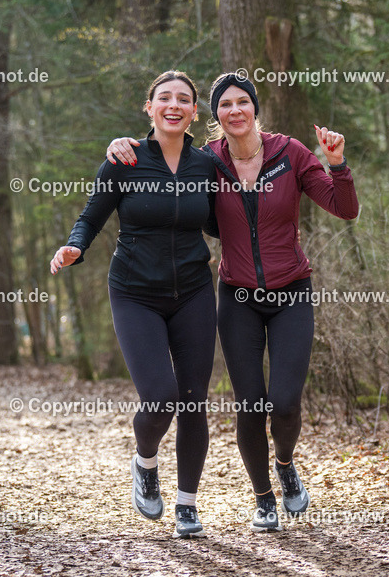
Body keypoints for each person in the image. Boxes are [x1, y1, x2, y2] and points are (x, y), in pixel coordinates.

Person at [106, 72, 359, 531]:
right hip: (237, 295)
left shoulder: (290, 153)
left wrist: (337, 165)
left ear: (255, 109)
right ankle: (263, 498)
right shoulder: (208, 163)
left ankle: (285, 465)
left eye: (244, 102)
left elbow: (344, 208)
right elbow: (166, 169)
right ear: (216, 116)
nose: (235, 111)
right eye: (226, 105)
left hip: (291, 292)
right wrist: (121, 145)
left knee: (283, 403)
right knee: (250, 404)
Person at [50, 71, 217, 539]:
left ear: (193, 112)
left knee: (193, 401)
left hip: (194, 292)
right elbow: (91, 215)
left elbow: (224, 222)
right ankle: (145, 462)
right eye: (164, 97)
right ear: (149, 107)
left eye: (184, 99)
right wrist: (74, 246)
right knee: (160, 396)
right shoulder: (125, 159)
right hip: (134, 291)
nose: (174, 104)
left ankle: (187, 504)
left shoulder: (205, 166)